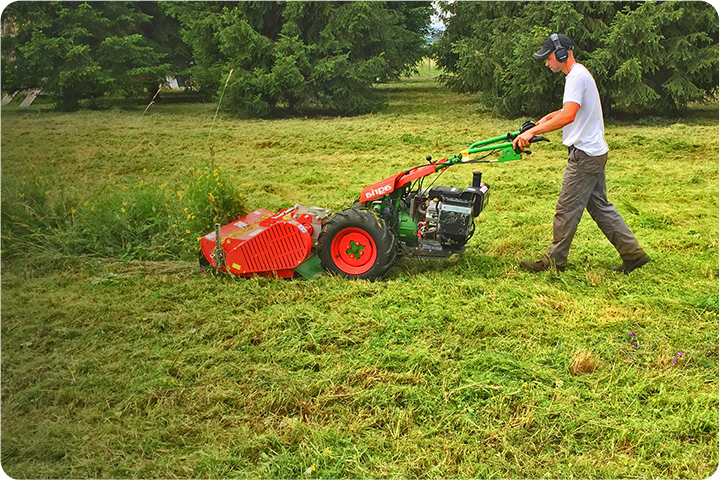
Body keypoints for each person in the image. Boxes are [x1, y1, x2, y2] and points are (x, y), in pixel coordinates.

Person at [512, 33, 650, 274]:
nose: (547, 63)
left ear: (562, 53)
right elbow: (569, 109)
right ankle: (633, 255)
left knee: (566, 208)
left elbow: (569, 115)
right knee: (600, 207)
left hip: (584, 155)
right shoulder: (579, 74)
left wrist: (531, 133)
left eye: (548, 57)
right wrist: (543, 120)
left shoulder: (575, 77)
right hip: (594, 152)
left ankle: (554, 262)